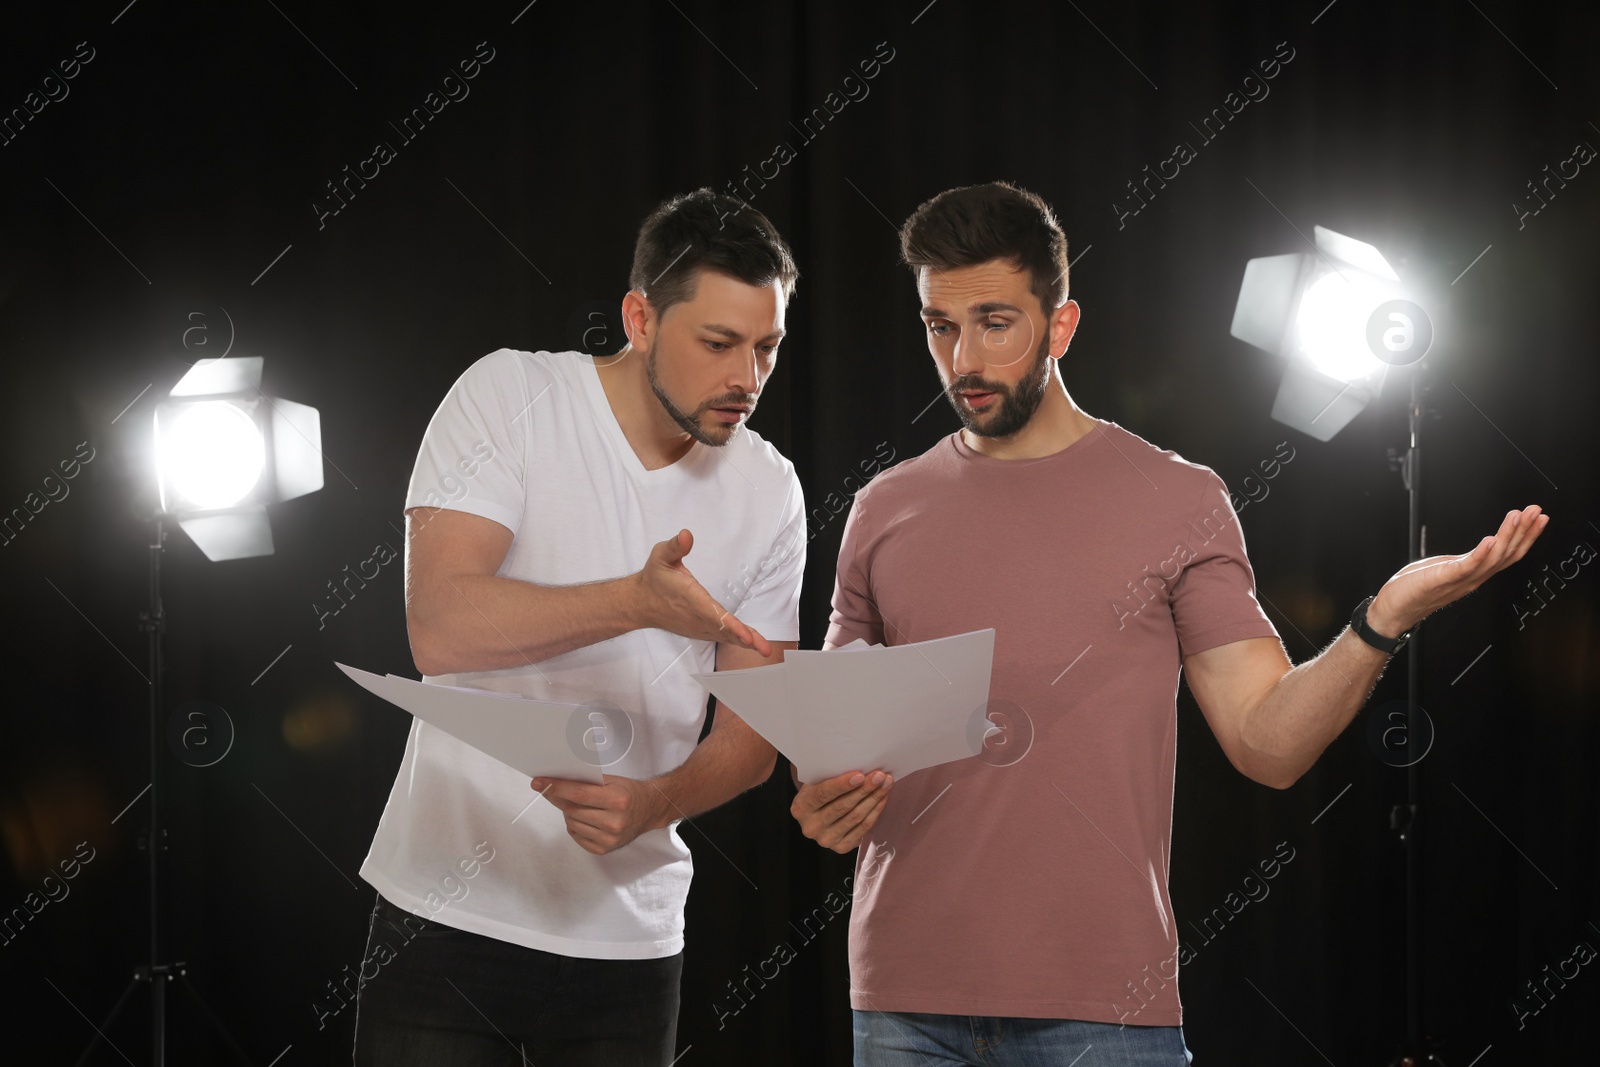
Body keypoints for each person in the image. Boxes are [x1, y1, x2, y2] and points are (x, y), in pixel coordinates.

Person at [790, 181, 1547, 1066]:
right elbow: (838, 749)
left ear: (1061, 326)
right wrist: (824, 801)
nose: (964, 357)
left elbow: (1268, 743)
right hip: (903, 1002)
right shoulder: (885, 505)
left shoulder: (1179, 498)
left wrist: (1381, 620)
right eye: (939, 326)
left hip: (1102, 1009)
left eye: (995, 322)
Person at [352, 188, 806, 1066]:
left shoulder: (771, 488)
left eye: (767, 347)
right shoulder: (511, 393)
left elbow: (752, 738)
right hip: (444, 920)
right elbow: (440, 625)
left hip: (628, 947)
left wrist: (656, 804)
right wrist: (634, 600)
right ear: (640, 317)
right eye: (718, 344)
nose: (746, 379)